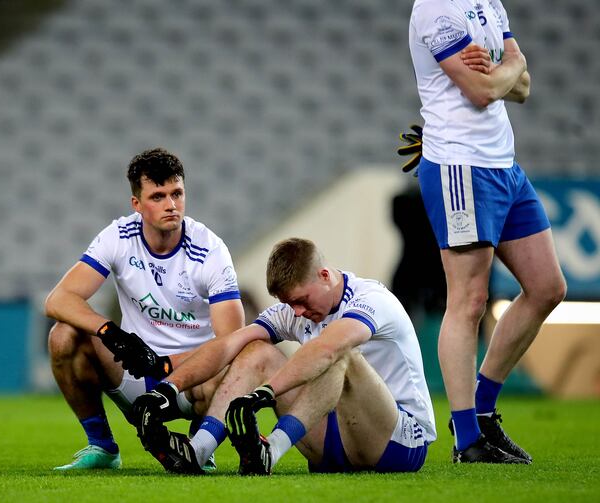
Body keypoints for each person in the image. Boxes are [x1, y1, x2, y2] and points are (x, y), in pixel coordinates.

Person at [409, 0, 566, 463]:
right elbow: (482, 91)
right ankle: (467, 439)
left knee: (546, 287)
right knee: (469, 300)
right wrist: (508, 68)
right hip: (460, 166)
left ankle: (481, 412)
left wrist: (507, 69)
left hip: (504, 166)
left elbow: (524, 88)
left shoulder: (488, 2)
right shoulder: (434, 9)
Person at [133, 238, 436, 475]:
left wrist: (265, 393)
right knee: (255, 351)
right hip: (337, 442)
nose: (298, 313)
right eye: (291, 304)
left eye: (302, 301)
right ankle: (198, 450)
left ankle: (271, 451)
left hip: (400, 444)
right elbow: (228, 344)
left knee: (342, 356)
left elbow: (327, 349)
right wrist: (167, 387)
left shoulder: (371, 300)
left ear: (325, 275)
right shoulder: (294, 312)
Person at [44, 147, 244, 471]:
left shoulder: (210, 250)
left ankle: (199, 448)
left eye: (177, 193)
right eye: (158, 196)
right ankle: (103, 448)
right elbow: (58, 300)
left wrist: (165, 364)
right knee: (63, 336)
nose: (171, 204)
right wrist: (110, 332)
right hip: (135, 373)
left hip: (194, 382)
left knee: (236, 360)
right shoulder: (119, 237)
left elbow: (233, 339)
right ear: (136, 204)